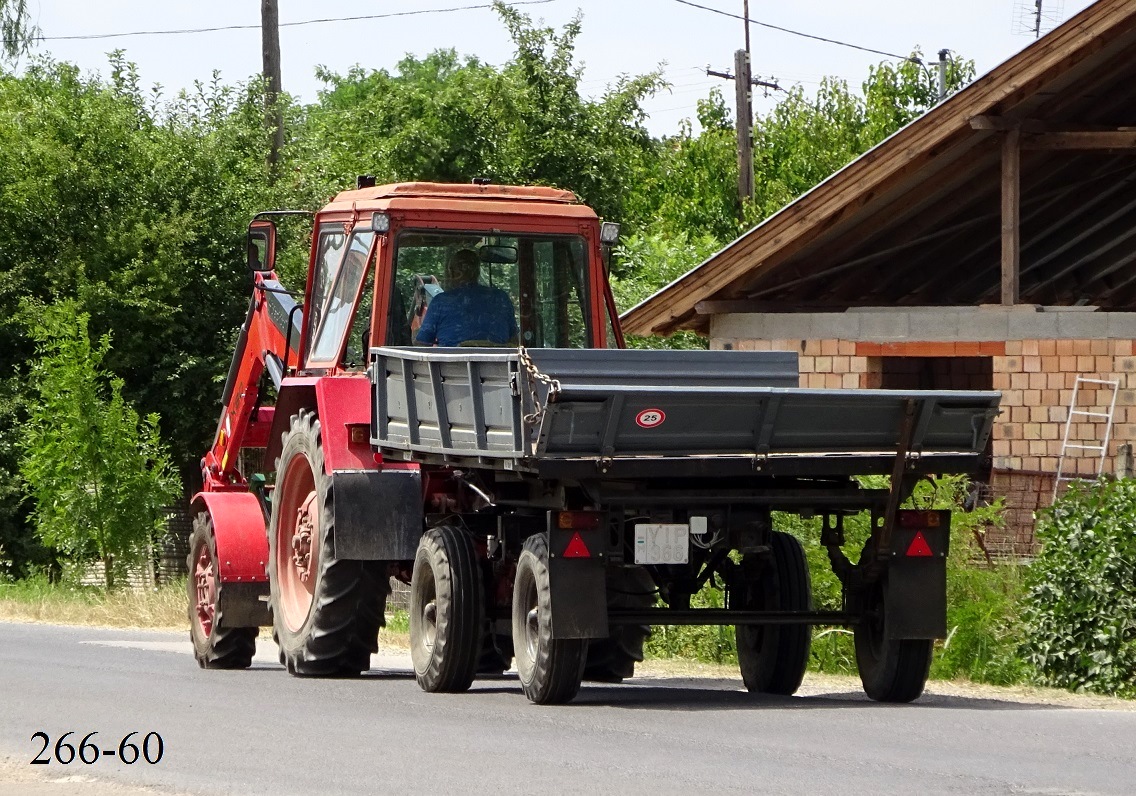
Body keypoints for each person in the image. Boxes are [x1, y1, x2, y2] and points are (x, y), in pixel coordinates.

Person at [415, 248, 518, 347]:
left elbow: (422, 343)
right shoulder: (501, 298)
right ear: (477, 272)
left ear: (452, 272)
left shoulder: (441, 302)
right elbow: (514, 341)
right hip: (501, 364)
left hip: (452, 364)